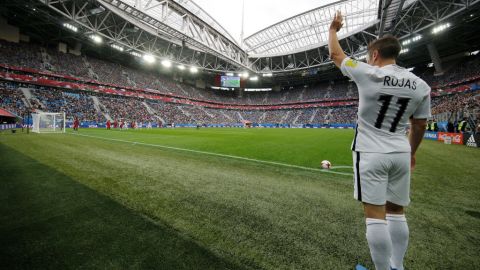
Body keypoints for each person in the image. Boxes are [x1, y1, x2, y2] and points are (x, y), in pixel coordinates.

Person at [328, 11, 431, 270]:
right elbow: (419, 124)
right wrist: (411, 152)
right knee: (396, 212)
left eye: (368, 56)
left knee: (375, 216)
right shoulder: (421, 85)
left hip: (370, 152)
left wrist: (333, 30)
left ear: (375, 55)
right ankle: (398, 266)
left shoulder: (368, 73)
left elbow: (336, 55)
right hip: (400, 152)